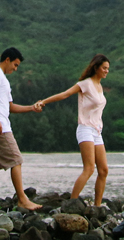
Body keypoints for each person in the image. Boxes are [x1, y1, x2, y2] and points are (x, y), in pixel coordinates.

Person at [39, 54, 110, 206]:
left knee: (103, 170)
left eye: (108, 69)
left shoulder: (99, 86)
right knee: (89, 168)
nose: (106, 71)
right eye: (104, 68)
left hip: (97, 131)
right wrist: (44, 101)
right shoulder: (85, 84)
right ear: (96, 68)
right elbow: (64, 94)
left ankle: (97, 206)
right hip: (85, 129)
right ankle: (72, 203)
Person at [0, 47, 43, 211]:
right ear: (7, 59)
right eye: (15, 65)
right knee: (16, 160)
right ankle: (22, 200)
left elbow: (11, 107)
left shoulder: (3, 79)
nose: (15, 69)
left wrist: (31, 108)